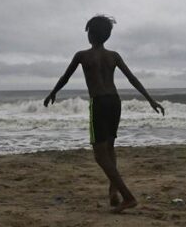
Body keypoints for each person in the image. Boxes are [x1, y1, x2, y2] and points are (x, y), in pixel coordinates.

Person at [44, 15, 165, 213]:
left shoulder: (82, 55)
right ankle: (112, 191)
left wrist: (53, 92)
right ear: (107, 36)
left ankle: (128, 197)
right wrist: (150, 99)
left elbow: (65, 77)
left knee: (100, 156)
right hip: (115, 102)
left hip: (99, 103)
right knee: (109, 147)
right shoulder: (113, 56)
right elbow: (132, 78)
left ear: (90, 34)